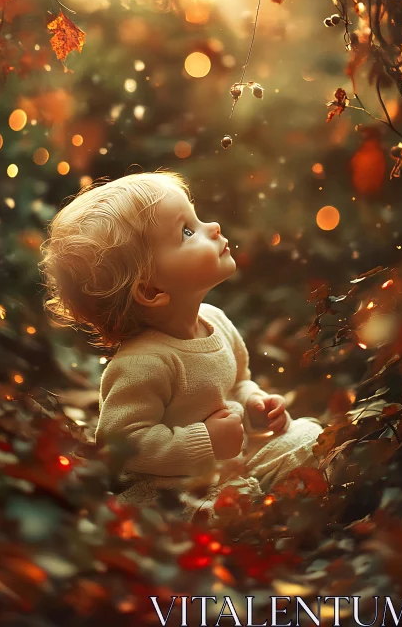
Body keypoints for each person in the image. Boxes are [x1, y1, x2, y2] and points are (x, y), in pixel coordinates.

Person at [39, 169, 324, 518]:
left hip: (233, 465)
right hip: (174, 489)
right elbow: (124, 446)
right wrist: (205, 441)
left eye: (197, 218)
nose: (214, 226)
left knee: (309, 437)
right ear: (150, 290)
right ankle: (259, 515)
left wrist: (255, 404)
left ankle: (261, 505)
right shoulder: (142, 363)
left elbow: (237, 382)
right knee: (206, 512)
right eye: (188, 231)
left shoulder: (215, 320)